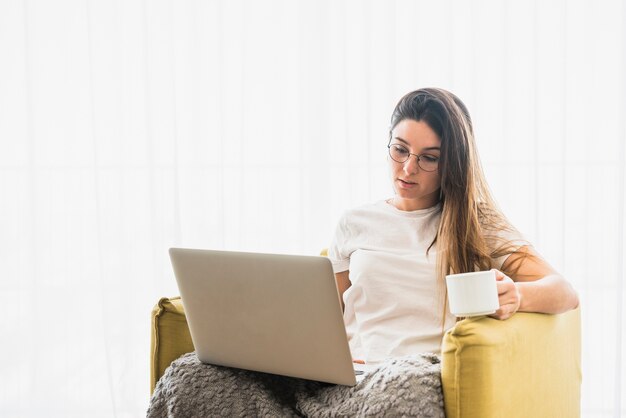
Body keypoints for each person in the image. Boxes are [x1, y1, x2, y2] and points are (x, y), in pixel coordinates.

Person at [328, 87, 579, 364]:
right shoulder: (353, 223)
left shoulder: (474, 225)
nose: (409, 168)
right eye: (400, 150)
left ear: (452, 163)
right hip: (355, 377)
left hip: (419, 377)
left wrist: (516, 295)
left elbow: (564, 292)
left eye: (429, 158)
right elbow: (330, 321)